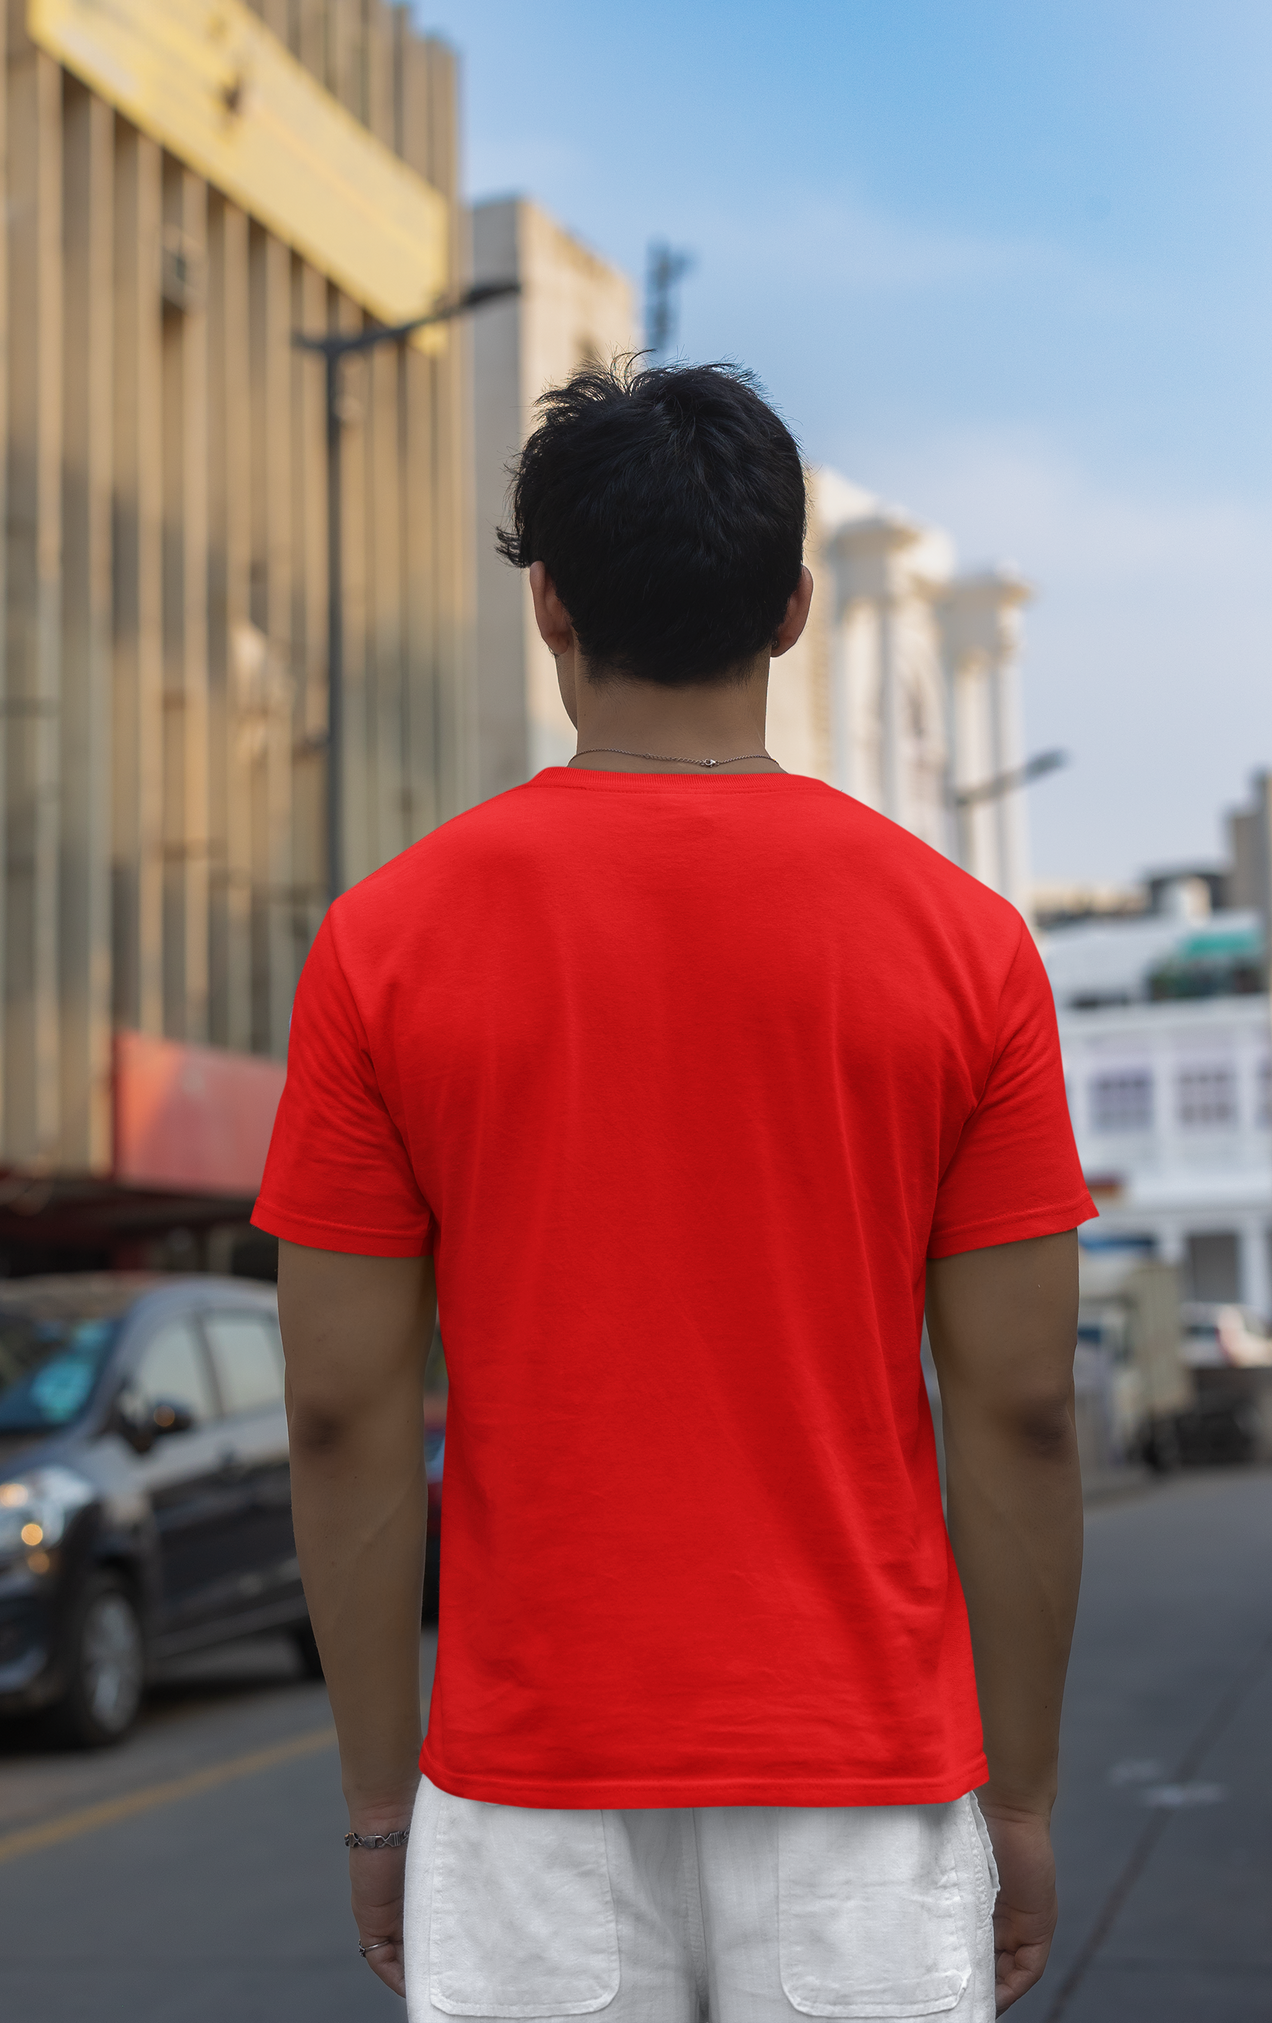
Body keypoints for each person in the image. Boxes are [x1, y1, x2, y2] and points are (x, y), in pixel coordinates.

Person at [252, 359, 1092, 2022]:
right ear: (791, 609)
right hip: (865, 1776)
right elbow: (1021, 1411)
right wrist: (1022, 1799)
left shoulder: (386, 943)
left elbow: (342, 1410)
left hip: (527, 1777)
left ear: (547, 605)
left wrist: (375, 1807)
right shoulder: (965, 943)